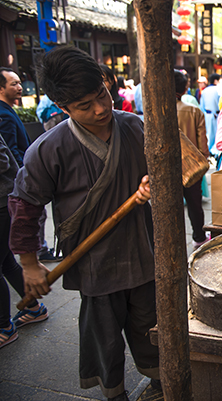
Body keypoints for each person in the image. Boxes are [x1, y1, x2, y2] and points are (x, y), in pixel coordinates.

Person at [9, 46, 159, 401]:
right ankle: (115, 392)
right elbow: (26, 204)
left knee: (151, 326)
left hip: (143, 249)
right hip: (94, 261)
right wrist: (29, 264)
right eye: (85, 106)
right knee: (104, 335)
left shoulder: (135, 127)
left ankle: (160, 382)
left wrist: (155, 181)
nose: (101, 108)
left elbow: (170, 171)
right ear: (63, 108)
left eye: (102, 95)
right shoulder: (49, 149)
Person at [0, 67, 58, 263]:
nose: (19, 87)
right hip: (16, 179)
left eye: (19, 82)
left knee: (7, 262)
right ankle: (39, 248)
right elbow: (9, 150)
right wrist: (24, 174)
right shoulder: (4, 115)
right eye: (13, 84)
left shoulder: (8, 110)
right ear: (1, 88)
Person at [0, 133, 47, 349]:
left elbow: (4, 161)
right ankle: (33, 308)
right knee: (7, 262)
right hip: (8, 198)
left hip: (2, 202)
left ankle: (3, 327)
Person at [174, 70, 210, 249]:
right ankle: (199, 236)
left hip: (168, 168)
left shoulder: (155, 113)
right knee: (195, 204)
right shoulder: (194, 111)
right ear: (185, 88)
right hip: (192, 167)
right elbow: (203, 144)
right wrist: (204, 158)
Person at [199, 73, 222, 156]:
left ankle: (209, 151)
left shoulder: (205, 91)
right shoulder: (219, 90)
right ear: (216, 81)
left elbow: (202, 106)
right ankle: (216, 152)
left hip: (207, 115)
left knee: (209, 134)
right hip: (217, 115)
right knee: (217, 134)